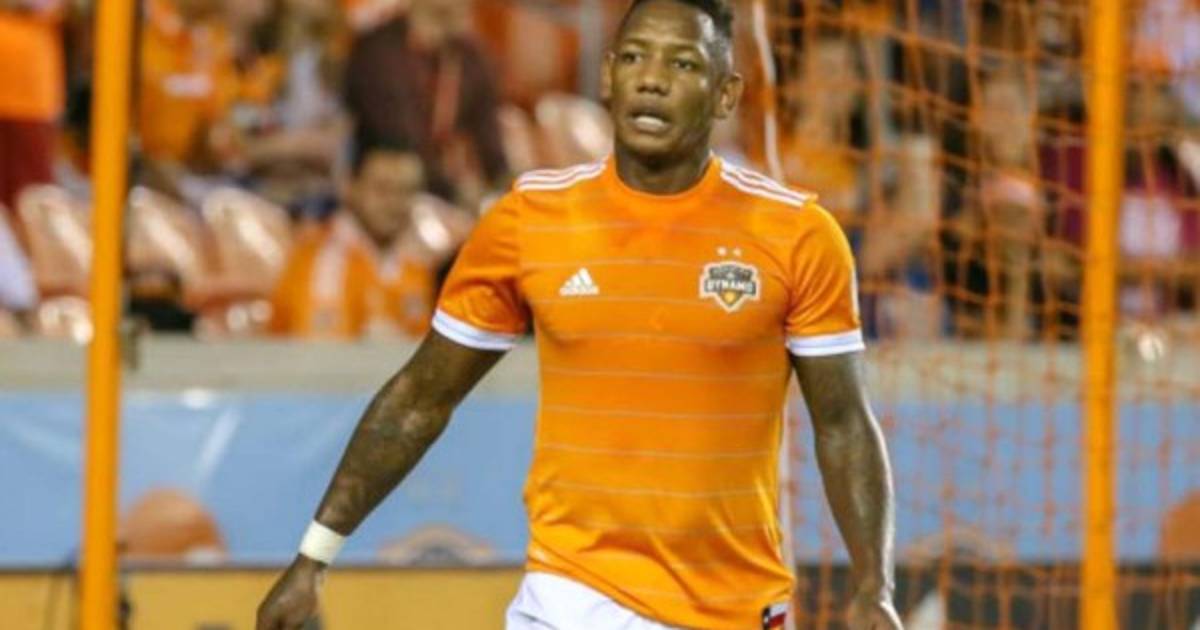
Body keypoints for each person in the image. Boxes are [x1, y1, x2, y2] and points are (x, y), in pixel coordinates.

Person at [257, 1, 900, 629]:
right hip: (566, 596)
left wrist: (874, 585)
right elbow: (420, 398)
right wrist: (315, 554)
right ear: (608, 75)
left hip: (725, 607)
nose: (652, 79)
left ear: (726, 95)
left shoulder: (797, 233)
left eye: (682, 64)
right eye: (636, 58)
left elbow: (843, 422)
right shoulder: (529, 220)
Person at [269, 146, 466, 339]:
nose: (394, 203)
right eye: (382, 189)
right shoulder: (319, 259)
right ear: (350, 187)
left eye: (406, 191)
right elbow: (318, 353)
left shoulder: (424, 263)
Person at [343, 0, 509, 207]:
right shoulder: (379, 51)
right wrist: (456, 193)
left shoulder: (470, 57)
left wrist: (508, 187)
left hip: (446, 190)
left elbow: (492, 145)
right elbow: (400, 141)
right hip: (391, 189)